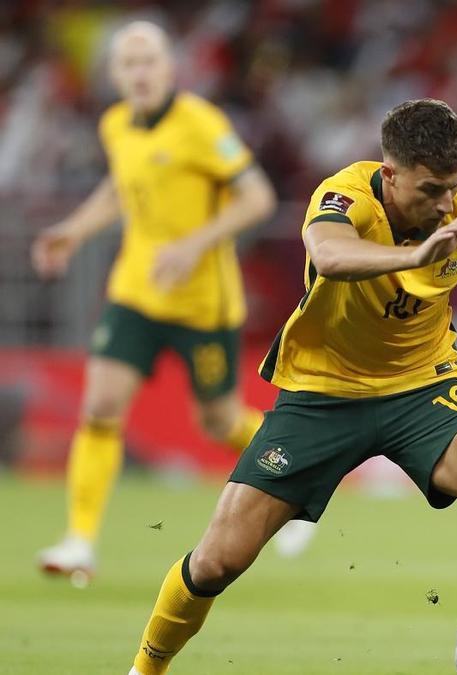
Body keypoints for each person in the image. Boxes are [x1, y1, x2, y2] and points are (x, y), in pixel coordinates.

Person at [128, 99, 457, 675]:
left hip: (422, 385)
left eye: (453, 186)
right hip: (322, 393)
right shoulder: (344, 194)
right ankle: (145, 670)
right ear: (390, 174)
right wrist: (415, 255)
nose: (446, 204)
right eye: (430, 190)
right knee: (218, 562)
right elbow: (327, 253)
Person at [30, 21, 282, 582]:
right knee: (99, 406)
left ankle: (291, 465)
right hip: (137, 292)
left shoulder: (201, 124)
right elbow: (123, 187)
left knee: (217, 423)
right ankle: (78, 541)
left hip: (203, 303)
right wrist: (71, 231)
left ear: (170, 68)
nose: (139, 72)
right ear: (114, 74)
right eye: (128, 63)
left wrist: (194, 246)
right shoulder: (115, 124)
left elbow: (258, 196)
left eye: (149, 61)